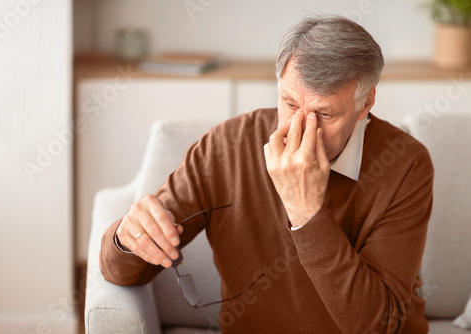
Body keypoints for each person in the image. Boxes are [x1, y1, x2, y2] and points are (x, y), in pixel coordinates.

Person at [100, 15, 433, 333]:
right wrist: (126, 238)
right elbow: (127, 269)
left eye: (324, 113)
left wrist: (306, 212)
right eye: (289, 104)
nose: (299, 130)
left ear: (365, 104)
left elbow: (377, 326)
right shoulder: (226, 147)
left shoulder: (406, 165)